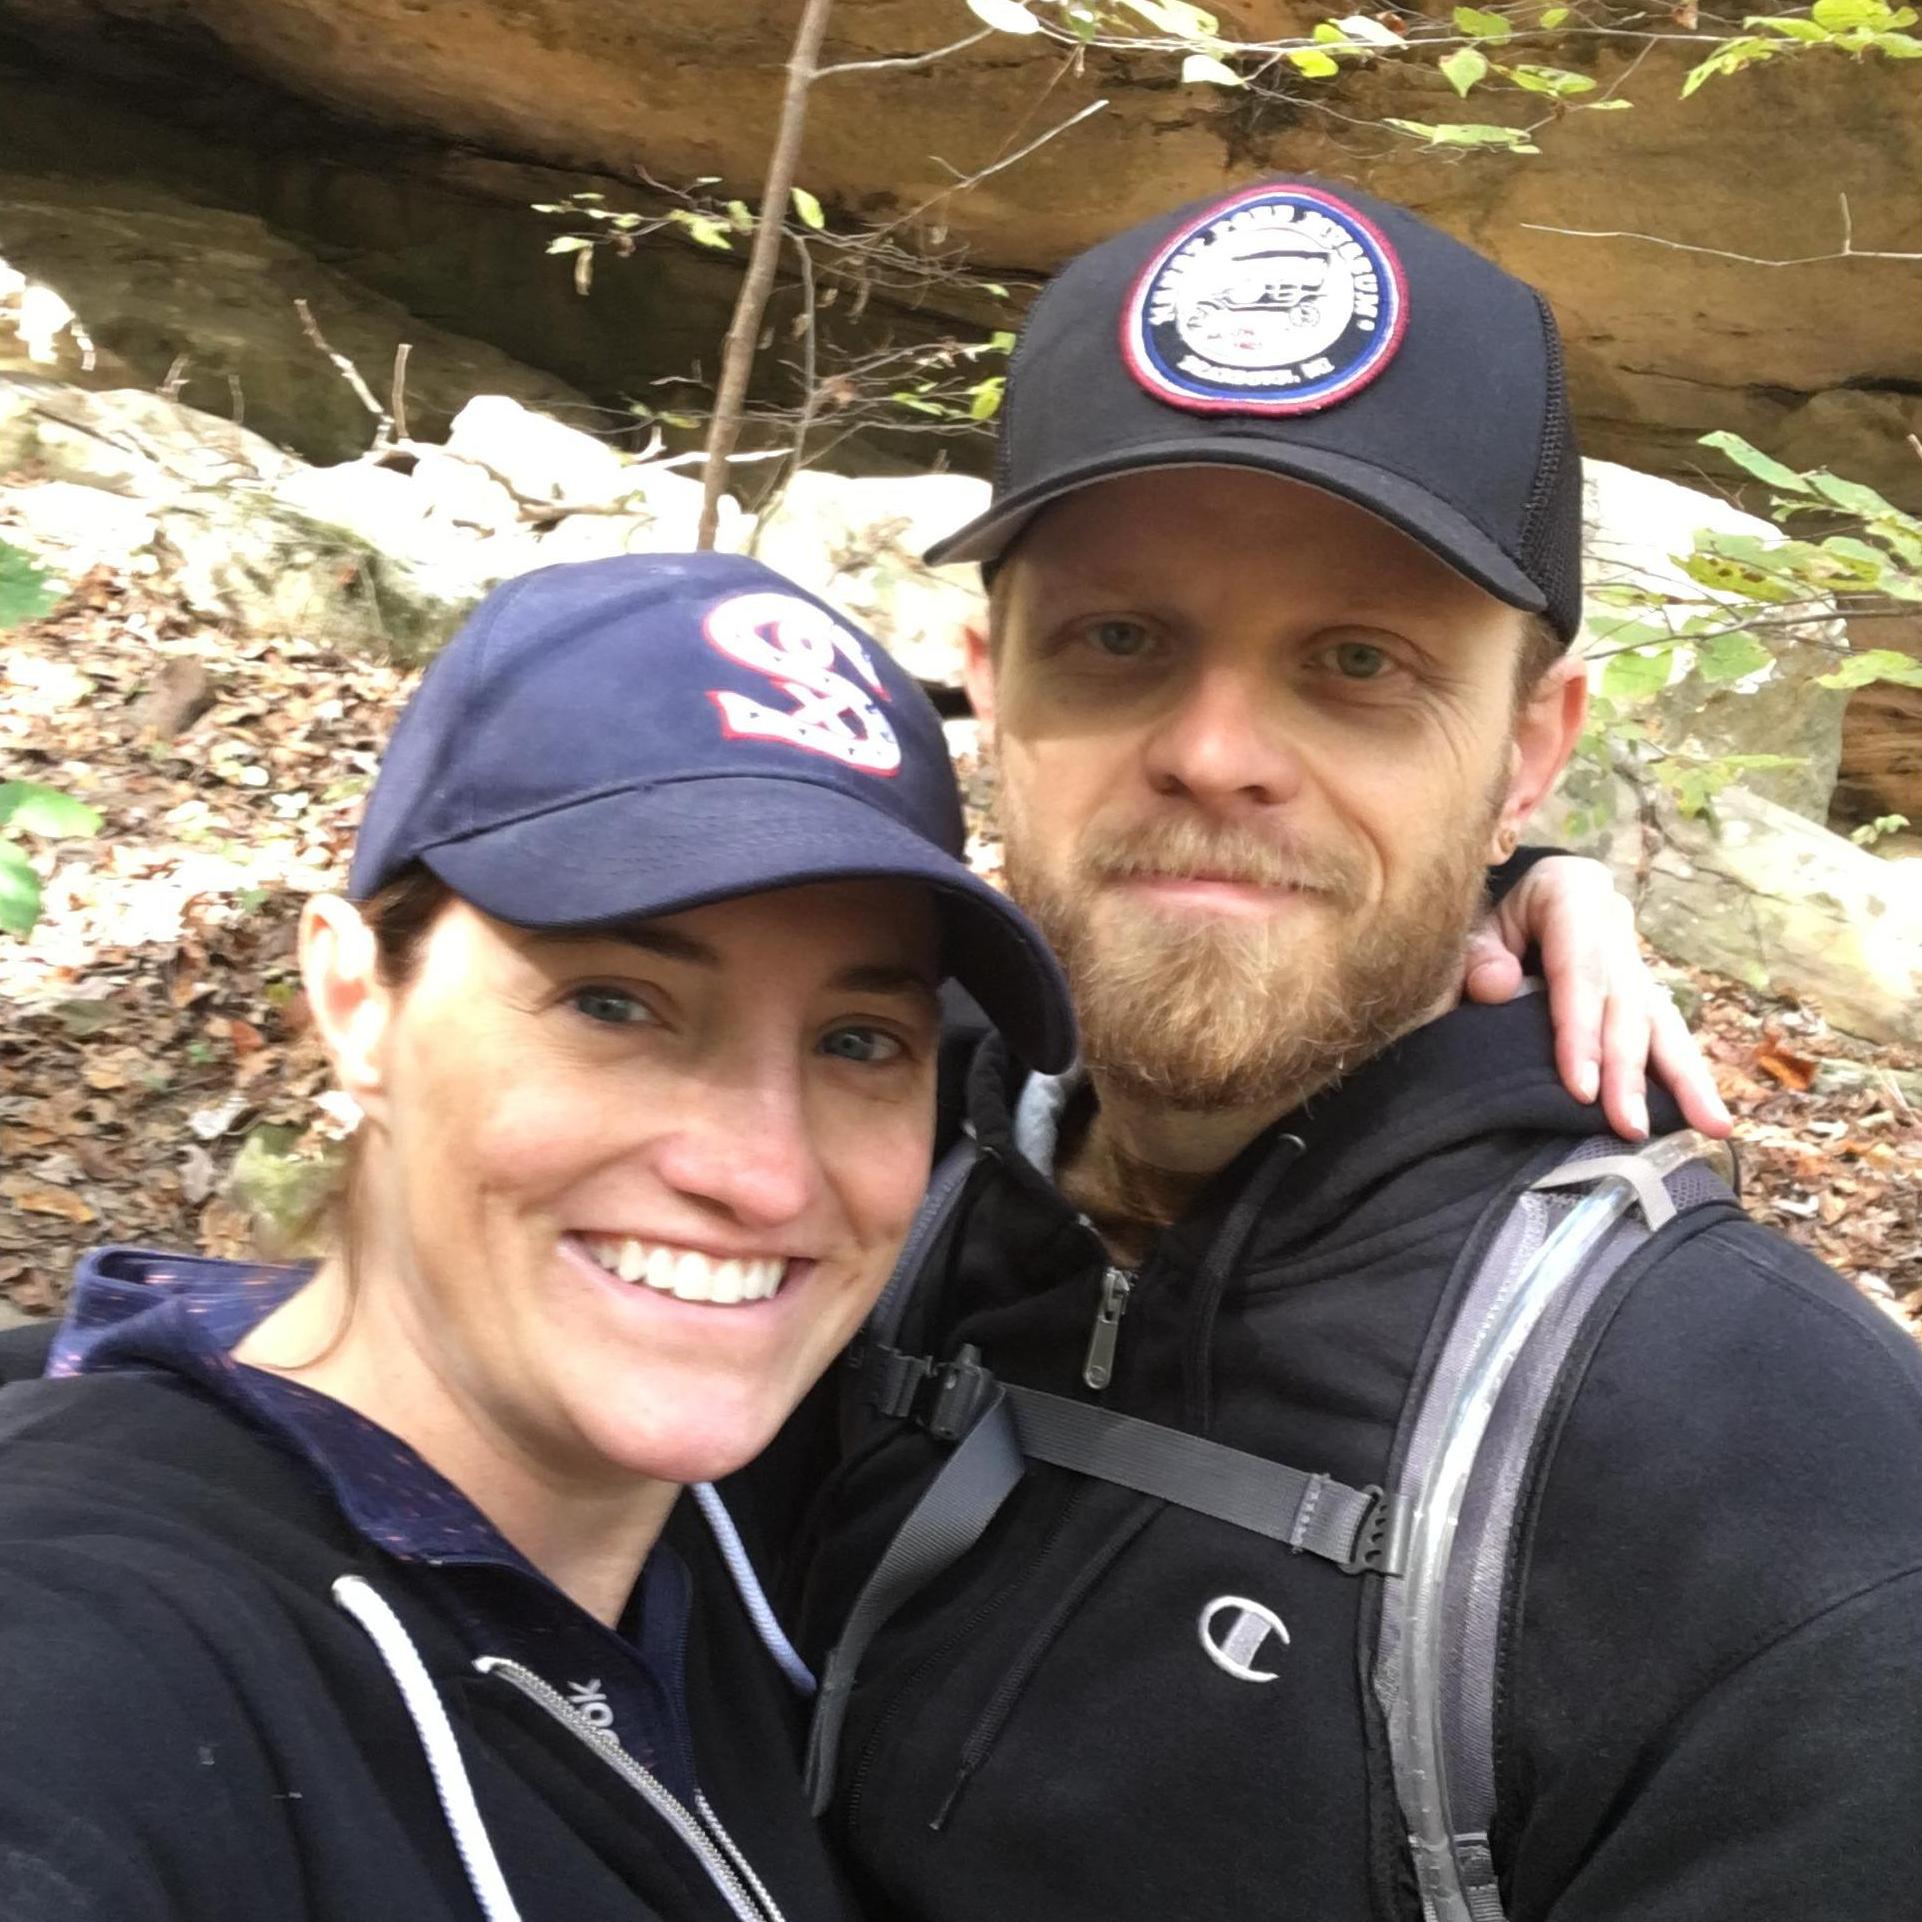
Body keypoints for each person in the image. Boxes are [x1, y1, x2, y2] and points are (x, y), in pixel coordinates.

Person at [788, 181, 1922, 1920]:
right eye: (1118, 637)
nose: (1218, 750)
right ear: (987, 684)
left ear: (1528, 755)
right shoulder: (804, 1147)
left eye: (1357, 661)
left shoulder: (1786, 1509)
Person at [0, 551, 1084, 1922]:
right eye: (615, 1005)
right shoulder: (101, 1658)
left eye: (855, 1038)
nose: (759, 1172)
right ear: (352, 997)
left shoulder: (695, 1523)